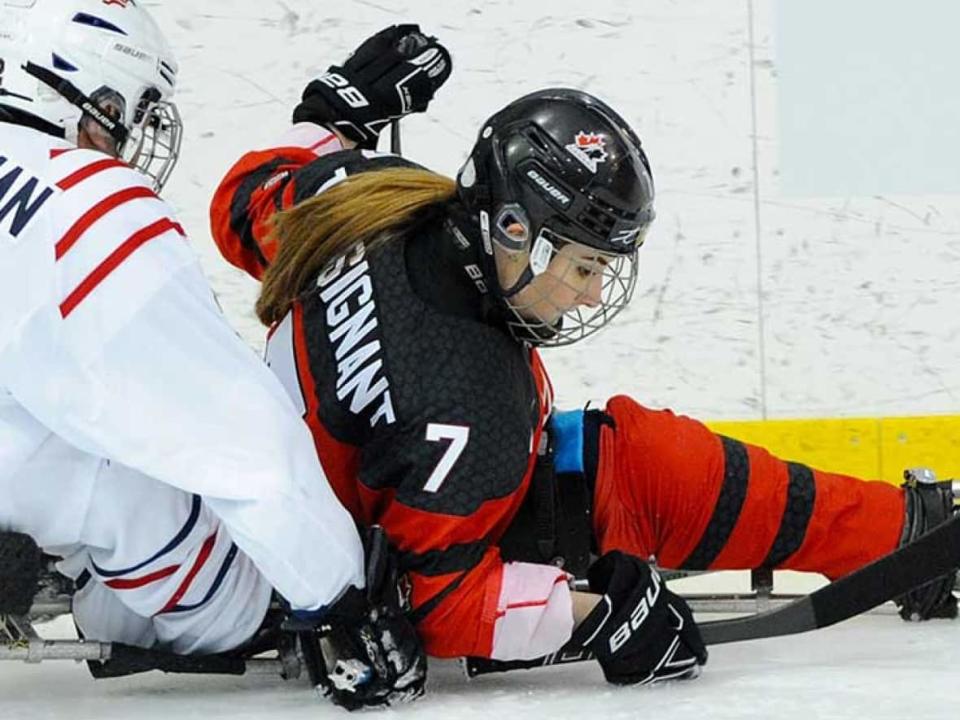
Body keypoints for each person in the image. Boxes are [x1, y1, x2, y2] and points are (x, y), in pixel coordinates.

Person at [209, 24, 957, 688]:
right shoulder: (468, 399)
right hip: (319, 565)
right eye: (584, 266)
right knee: (646, 472)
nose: (593, 295)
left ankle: (900, 532)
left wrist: (335, 123)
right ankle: (905, 536)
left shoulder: (367, 200)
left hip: (333, 493)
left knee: (639, 458)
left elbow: (239, 202)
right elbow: (441, 607)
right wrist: (600, 619)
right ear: (511, 230)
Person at [0, 0, 425, 709]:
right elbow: (238, 441)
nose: (132, 138)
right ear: (96, 104)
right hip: (102, 523)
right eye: (129, 114)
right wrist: (338, 599)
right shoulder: (88, 201)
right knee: (234, 596)